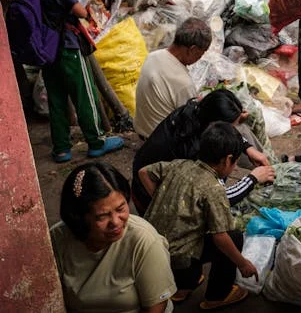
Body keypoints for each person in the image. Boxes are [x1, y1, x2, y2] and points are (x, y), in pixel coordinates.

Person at [18, 0, 124, 163]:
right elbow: (80, 12)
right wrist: (91, 10)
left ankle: (61, 148)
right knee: (84, 95)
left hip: (47, 53)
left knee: (57, 100)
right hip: (68, 48)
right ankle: (96, 142)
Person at [138, 122, 258, 309]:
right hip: (178, 261)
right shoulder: (213, 188)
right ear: (227, 160)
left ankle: (182, 288)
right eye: (235, 163)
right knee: (232, 237)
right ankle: (217, 296)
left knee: (192, 233)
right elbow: (220, 237)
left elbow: (143, 172)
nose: (234, 168)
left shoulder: (179, 165)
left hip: (152, 250)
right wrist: (243, 263)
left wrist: (161, 199)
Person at [50, 162, 177, 313]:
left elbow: (156, 306)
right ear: (79, 217)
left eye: (121, 208)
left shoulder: (144, 241)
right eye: (102, 216)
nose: (116, 222)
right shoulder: (57, 239)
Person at [131, 89, 274, 215]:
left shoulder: (194, 111)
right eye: (233, 126)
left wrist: (247, 147)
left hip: (144, 178)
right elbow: (216, 199)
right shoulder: (195, 152)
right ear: (214, 126)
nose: (235, 129)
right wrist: (252, 179)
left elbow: (225, 131)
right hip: (148, 201)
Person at [134, 17, 211, 139]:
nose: (200, 57)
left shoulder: (153, 56)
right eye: (201, 53)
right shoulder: (184, 83)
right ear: (192, 50)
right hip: (158, 141)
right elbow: (190, 120)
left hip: (141, 128)